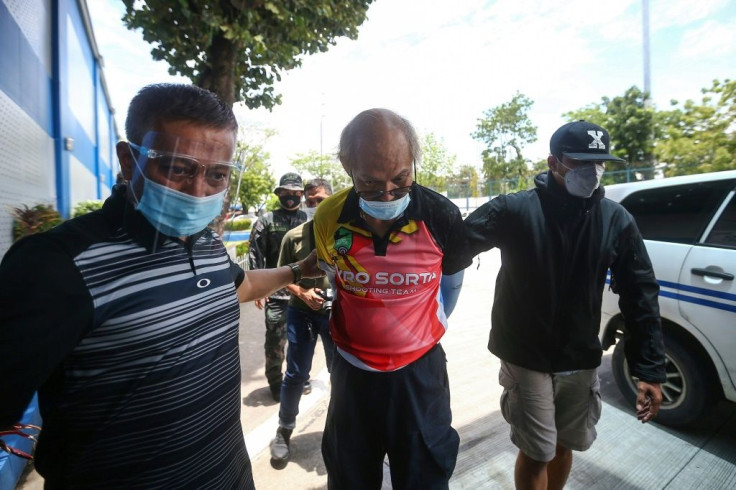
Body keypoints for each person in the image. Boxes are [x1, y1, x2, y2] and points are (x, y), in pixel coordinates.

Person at [0, 83, 322, 488]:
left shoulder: (205, 242)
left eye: (218, 175)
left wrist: (298, 270)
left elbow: (237, 288)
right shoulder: (55, 265)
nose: (199, 190)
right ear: (128, 160)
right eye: (178, 168)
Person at [461, 120, 666, 490]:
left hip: (579, 354)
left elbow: (640, 294)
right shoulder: (515, 210)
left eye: (600, 163)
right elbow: (451, 249)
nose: (592, 172)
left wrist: (649, 369)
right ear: (554, 163)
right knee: (537, 450)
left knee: (565, 445)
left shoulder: (615, 220)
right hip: (526, 354)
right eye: (580, 162)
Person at [313, 108, 470, 489]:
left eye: (401, 179)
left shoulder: (441, 215)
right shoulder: (328, 216)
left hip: (419, 374)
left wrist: (415, 333)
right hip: (352, 373)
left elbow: (450, 286)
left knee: (424, 476)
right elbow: (333, 277)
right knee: (350, 477)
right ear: (347, 167)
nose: (386, 194)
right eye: (368, 182)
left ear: (414, 161)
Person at [269, 178, 337, 469]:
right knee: (296, 373)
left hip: (338, 313)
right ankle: (284, 430)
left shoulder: (345, 233)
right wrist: (303, 291)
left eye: (321, 200)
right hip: (301, 312)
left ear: (333, 200)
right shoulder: (293, 237)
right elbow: (284, 277)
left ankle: (343, 430)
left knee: (342, 373)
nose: (315, 206)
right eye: (310, 201)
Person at [249, 172, 308, 401]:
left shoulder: (309, 219)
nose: (290, 196)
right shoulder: (266, 221)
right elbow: (255, 254)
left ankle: (301, 377)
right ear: (278, 193)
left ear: (301, 194)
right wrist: (256, 288)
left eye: (295, 193)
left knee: (304, 339)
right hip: (276, 294)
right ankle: (275, 382)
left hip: (305, 293)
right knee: (275, 342)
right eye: (286, 192)